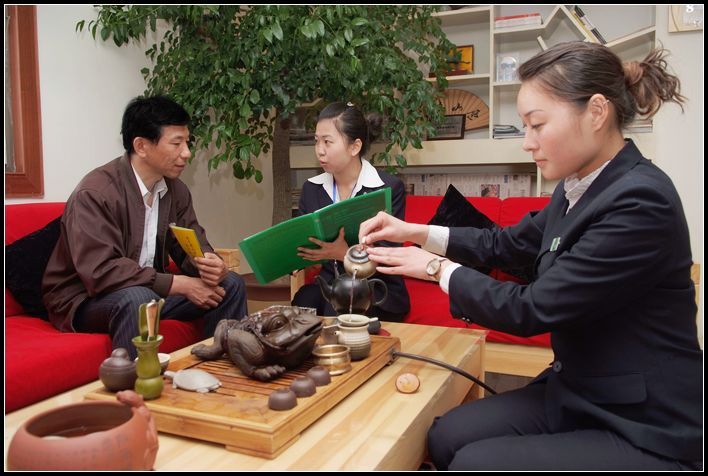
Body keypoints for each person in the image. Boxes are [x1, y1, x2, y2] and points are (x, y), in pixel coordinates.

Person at [358, 43, 702, 470]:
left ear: (597, 112)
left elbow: (533, 308)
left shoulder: (640, 201)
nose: (527, 142)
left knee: (474, 463)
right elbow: (503, 244)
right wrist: (415, 232)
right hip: (579, 391)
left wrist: (434, 268)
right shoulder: (578, 188)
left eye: (537, 125)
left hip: (642, 422)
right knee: (445, 436)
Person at [42, 96, 247, 359]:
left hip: (148, 290)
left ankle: (218, 369)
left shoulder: (176, 190)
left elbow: (191, 242)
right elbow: (101, 271)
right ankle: (136, 383)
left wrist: (209, 263)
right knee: (138, 300)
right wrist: (178, 284)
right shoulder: (95, 193)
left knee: (230, 285)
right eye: (176, 143)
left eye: (187, 142)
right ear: (141, 146)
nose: (186, 152)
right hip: (85, 299)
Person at [291, 101, 410, 321]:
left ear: (354, 147)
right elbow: (304, 240)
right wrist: (295, 258)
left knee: (340, 304)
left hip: (375, 289)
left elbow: (388, 255)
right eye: (316, 141)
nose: (319, 150)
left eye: (328, 142)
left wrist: (343, 254)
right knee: (302, 303)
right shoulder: (311, 189)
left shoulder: (387, 188)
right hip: (332, 284)